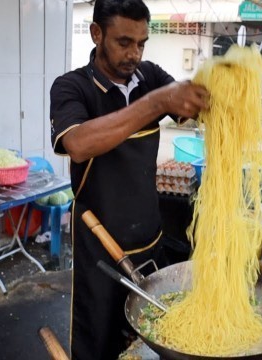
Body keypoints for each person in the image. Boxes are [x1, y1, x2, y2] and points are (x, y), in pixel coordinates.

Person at [49, 0, 208, 358]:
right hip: (100, 242)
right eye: (123, 42)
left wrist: (213, 89)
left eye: (141, 43)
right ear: (96, 34)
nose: (134, 54)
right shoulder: (72, 88)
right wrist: (156, 103)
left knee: (155, 335)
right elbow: (78, 143)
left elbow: (188, 105)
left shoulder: (149, 76)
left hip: (150, 236)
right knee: (100, 341)